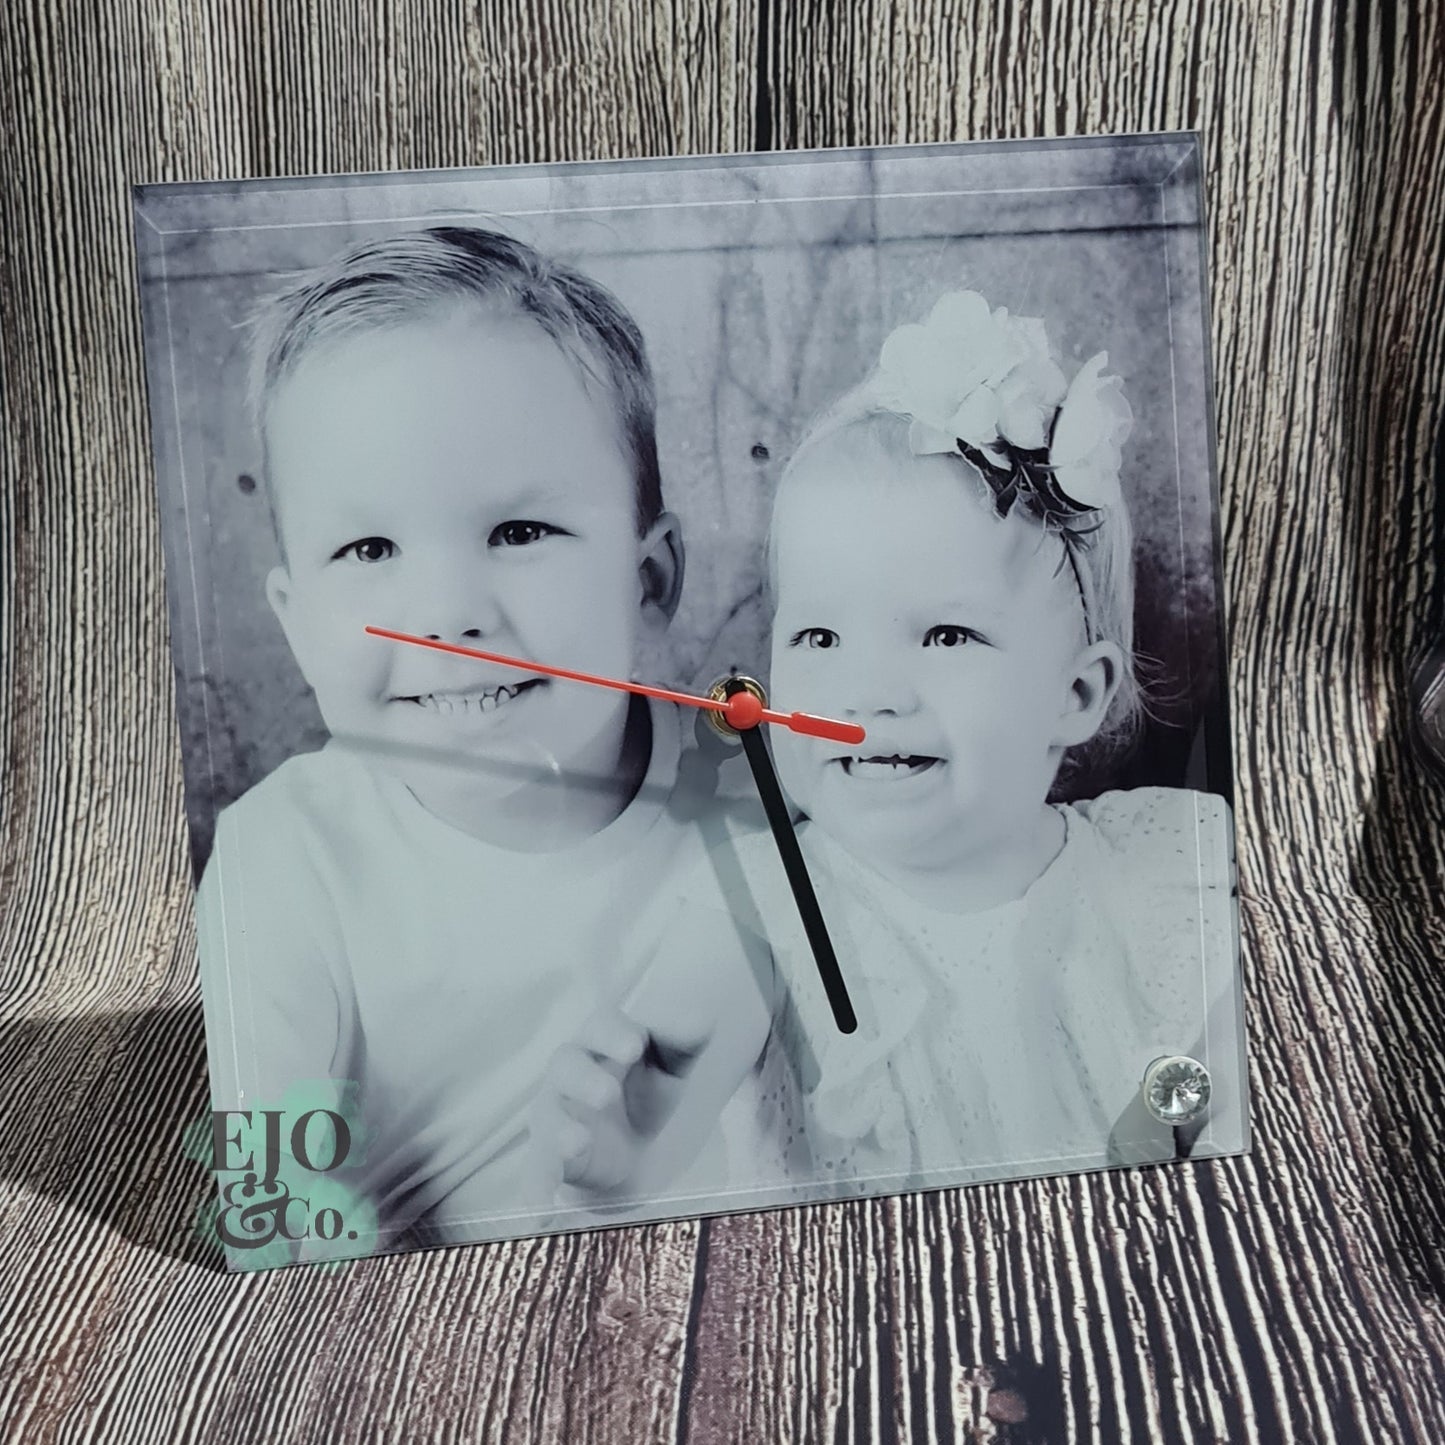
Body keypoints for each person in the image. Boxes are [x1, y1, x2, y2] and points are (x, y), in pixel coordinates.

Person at [548, 290, 1245, 1208]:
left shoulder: (1165, 867)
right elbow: (681, 1053)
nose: (869, 693)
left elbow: (1225, 1074)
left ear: (1075, 694)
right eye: (819, 640)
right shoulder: (756, 905)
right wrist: (631, 1143)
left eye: (946, 636)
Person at [196, 225, 760, 1260]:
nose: (444, 614)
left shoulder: (750, 803)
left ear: (649, 581)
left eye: (517, 531)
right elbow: (270, 1224)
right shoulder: (283, 861)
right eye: (368, 547)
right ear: (297, 624)